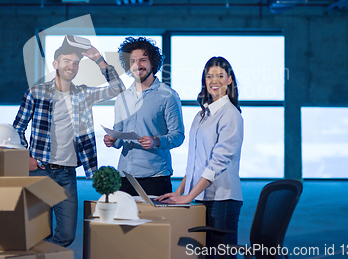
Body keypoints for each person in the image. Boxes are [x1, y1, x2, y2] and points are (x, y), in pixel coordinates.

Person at [13, 36, 125, 247]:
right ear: (55, 64)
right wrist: (26, 157)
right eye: (66, 61)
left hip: (66, 175)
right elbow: (17, 128)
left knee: (66, 235)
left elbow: (117, 88)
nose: (71, 66)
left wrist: (99, 60)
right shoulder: (36, 93)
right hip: (39, 172)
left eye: (75, 63)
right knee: (38, 232)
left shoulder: (83, 94)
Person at [158, 56, 244, 258]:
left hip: (222, 199)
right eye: (209, 76)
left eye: (220, 76)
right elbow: (196, 162)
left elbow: (217, 163)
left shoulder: (231, 114)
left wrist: (189, 196)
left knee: (221, 256)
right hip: (200, 196)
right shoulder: (202, 114)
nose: (214, 80)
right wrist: (180, 191)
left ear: (229, 80)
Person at [103, 36, 185, 196]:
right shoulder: (122, 98)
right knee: (124, 220)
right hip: (125, 175)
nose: (138, 65)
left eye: (143, 60)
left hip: (155, 176)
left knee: (155, 221)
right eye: (133, 61)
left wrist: (156, 141)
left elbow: (178, 136)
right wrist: (112, 140)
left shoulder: (168, 96)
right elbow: (118, 138)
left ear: (153, 63)